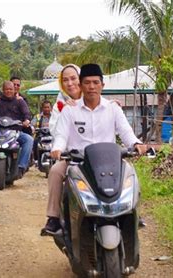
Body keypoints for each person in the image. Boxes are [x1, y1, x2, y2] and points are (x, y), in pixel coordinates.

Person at [42, 63, 148, 235]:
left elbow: (126, 131)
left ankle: (133, 212)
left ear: (102, 85)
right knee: (55, 171)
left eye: (95, 82)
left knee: (130, 172)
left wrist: (136, 144)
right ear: (81, 85)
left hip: (109, 162)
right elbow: (61, 134)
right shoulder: (69, 109)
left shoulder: (113, 108)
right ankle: (53, 218)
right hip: (77, 162)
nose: (91, 87)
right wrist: (58, 149)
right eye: (87, 83)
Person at [0, 80, 33, 178]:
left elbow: (27, 114)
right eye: (6, 89)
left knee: (29, 139)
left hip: (16, 131)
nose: (8, 91)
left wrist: (27, 120)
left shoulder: (20, 101)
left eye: (10, 89)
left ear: (14, 90)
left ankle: (21, 167)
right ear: (3, 90)